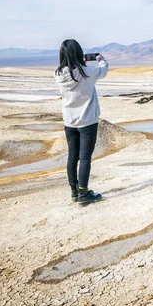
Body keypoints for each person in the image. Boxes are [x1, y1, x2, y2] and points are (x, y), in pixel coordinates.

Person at [54, 39, 109, 203]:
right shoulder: (88, 71)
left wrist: (79, 63)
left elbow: (72, 74)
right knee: (85, 158)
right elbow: (103, 69)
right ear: (78, 53)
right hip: (88, 121)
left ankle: (74, 191)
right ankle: (84, 194)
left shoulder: (57, 74)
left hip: (70, 121)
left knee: (72, 156)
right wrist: (100, 58)